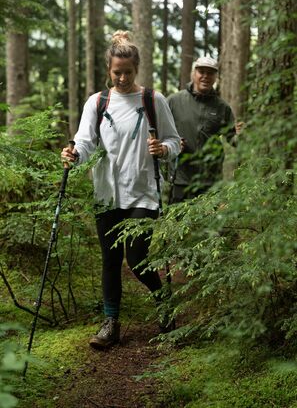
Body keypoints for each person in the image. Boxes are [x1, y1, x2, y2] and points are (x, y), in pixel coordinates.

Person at [61, 31, 180, 349]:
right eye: (117, 72)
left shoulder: (153, 100)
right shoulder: (97, 103)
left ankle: (165, 307)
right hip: (106, 194)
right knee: (110, 260)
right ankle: (111, 323)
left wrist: (164, 150)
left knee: (137, 258)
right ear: (109, 70)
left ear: (136, 68)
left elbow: (174, 141)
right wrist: (74, 152)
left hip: (143, 192)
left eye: (128, 72)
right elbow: (85, 141)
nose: (123, 77)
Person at [167, 56, 238, 203]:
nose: (205, 76)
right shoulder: (174, 101)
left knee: (209, 226)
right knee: (177, 224)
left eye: (210, 73)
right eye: (201, 72)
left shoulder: (222, 107)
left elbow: (233, 139)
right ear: (194, 74)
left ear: (215, 77)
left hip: (210, 182)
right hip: (180, 179)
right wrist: (172, 143)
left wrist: (245, 136)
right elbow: (161, 132)